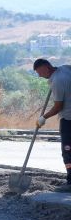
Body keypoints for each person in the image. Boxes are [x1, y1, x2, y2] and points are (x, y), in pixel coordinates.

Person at [34, 58, 71, 191]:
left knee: (68, 152)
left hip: (68, 119)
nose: (39, 76)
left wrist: (43, 118)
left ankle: (70, 183)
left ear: (46, 67)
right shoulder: (65, 68)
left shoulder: (57, 81)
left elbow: (58, 107)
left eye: (40, 72)